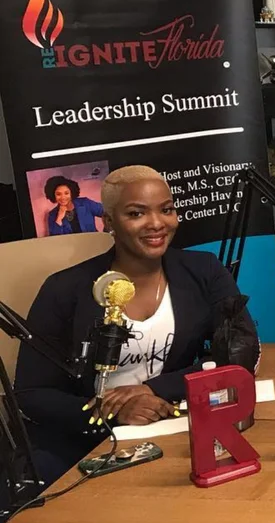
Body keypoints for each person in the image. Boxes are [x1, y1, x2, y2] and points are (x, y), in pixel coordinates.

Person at [15, 166, 250, 479]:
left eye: (166, 210)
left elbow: (240, 353)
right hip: (83, 441)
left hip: (173, 427)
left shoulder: (203, 271)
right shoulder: (64, 289)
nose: (156, 223)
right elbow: (32, 393)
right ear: (110, 222)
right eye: (137, 213)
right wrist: (110, 413)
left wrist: (154, 389)